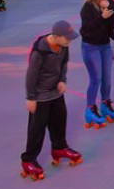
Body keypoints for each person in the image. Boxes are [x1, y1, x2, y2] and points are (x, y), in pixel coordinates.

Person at [21, 20, 82, 180]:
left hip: (56, 92)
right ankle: (28, 160)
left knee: (60, 119)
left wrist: (62, 80)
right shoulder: (39, 51)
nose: (69, 41)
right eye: (67, 38)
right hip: (40, 95)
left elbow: (64, 64)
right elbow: (31, 76)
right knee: (37, 128)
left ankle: (59, 147)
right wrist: (31, 98)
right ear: (56, 36)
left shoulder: (63, 47)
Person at [79, 0, 114, 128]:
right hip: (91, 47)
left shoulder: (108, 1)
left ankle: (106, 103)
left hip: (105, 46)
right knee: (96, 78)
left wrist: (110, 5)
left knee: (107, 78)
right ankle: (90, 108)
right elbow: (85, 30)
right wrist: (101, 18)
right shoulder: (87, 8)